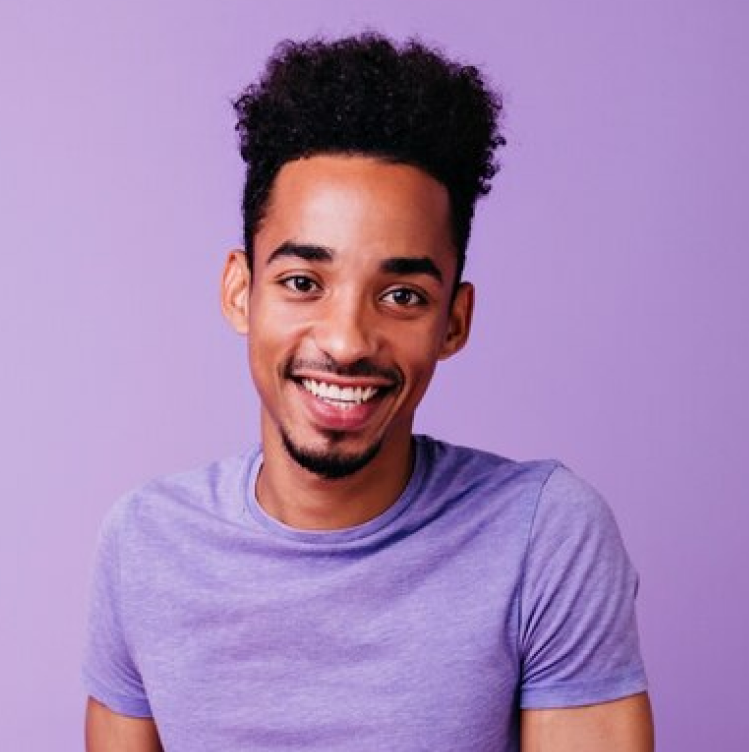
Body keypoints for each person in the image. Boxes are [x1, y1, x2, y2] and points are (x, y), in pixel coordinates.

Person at [83, 33, 653, 751]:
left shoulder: (542, 535)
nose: (347, 341)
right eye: (302, 282)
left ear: (454, 321)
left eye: (402, 295)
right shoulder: (145, 545)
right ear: (239, 292)